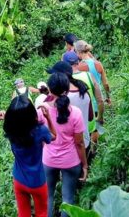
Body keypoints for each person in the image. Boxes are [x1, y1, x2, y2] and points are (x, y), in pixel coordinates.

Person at [0, 97, 56, 217]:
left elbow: (17, 122)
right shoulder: (40, 131)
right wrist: (48, 117)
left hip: (19, 180)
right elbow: (53, 136)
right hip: (38, 181)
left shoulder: (11, 131)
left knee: (23, 214)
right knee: (42, 213)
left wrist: (8, 116)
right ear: (32, 115)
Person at [37, 73, 88, 217]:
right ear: (66, 90)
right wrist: (84, 165)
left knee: (48, 197)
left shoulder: (42, 111)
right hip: (71, 161)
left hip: (48, 160)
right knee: (68, 200)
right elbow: (79, 143)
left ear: (49, 90)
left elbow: (38, 135)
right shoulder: (75, 113)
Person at [74, 40, 111, 106]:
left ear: (79, 52)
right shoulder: (99, 64)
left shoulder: (79, 67)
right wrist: (108, 97)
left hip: (87, 102)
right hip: (100, 101)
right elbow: (106, 84)